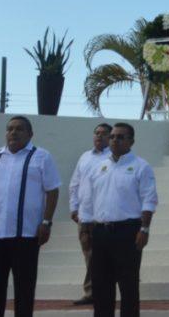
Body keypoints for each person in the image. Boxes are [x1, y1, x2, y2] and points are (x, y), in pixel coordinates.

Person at [0, 116, 62, 317]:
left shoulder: (41, 157)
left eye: (19, 129)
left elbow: (52, 191)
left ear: (30, 134)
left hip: (26, 235)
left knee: (25, 290)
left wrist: (46, 222)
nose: (13, 132)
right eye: (10, 128)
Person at [83, 122, 158, 317]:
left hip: (128, 232)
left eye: (121, 137)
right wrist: (86, 228)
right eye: (113, 136)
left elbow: (149, 200)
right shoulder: (100, 167)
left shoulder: (141, 166)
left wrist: (145, 229)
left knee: (128, 286)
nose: (115, 140)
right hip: (100, 233)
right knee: (101, 286)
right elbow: (89, 199)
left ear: (131, 141)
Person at [68, 122, 111, 305]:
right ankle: (92, 292)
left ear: (111, 137)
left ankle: (104, 291)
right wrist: (74, 207)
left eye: (103, 133)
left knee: (105, 255)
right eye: (96, 133)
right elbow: (75, 183)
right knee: (89, 255)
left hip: (106, 216)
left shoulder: (115, 157)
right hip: (85, 215)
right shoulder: (85, 157)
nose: (99, 136)